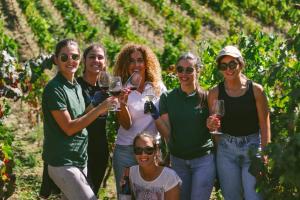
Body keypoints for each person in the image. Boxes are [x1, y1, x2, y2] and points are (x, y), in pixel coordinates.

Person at [41, 39, 117, 199]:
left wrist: (114, 100)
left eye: (74, 57)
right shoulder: (54, 89)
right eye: (64, 57)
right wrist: (101, 108)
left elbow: (87, 114)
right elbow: (69, 127)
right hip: (63, 161)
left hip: (80, 158)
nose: (70, 61)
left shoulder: (75, 86)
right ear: (56, 59)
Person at [207, 45, 271, 200]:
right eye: (223, 66)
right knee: (231, 196)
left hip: (252, 148)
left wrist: (265, 154)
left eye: (232, 64)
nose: (228, 69)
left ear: (240, 64)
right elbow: (215, 125)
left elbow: (265, 124)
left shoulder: (256, 90)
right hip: (226, 151)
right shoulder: (215, 92)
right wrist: (211, 125)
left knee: (253, 196)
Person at [152, 52, 216, 200]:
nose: (184, 74)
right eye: (180, 69)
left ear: (198, 71)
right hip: (178, 161)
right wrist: (154, 115)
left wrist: (211, 125)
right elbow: (167, 133)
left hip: (203, 161)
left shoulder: (207, 97)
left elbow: (216, 128)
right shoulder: (168, 98)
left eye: (189, 69)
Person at [112, 43, 167, 197]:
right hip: (126, 151)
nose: (136, 64)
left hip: (151, 151)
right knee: (125, 196)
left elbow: (165, 119)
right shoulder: (122, 89)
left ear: (146, 63)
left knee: (152, 196)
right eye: (131, 61)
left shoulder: (158, 87)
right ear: (125, 64)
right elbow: (126, 124)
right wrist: (121, 104)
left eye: (140, 60)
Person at [77, 44, 109, 195]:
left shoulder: (107, 89)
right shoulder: (76, 85)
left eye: (100, 57)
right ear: (84, 60)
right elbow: (75, 118)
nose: (96, 60)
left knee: (93, 191)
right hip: (80, 148)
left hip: (100, 149)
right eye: (92, 57)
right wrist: (97, 105)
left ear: (105, 62)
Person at [128, 132, 181, 200]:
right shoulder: (131, 172)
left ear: (156, 151)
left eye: (148, 149)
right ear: (134, 152)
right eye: (138, 149)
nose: (143, 154)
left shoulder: (169, 177)